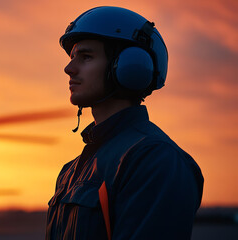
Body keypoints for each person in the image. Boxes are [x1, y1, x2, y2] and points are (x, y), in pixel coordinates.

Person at [46, 6, 204, 240]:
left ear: (128, 66)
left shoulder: (155, 160)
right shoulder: (70, 172)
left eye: (86, 57)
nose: (69, 68)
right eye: (72, 58)